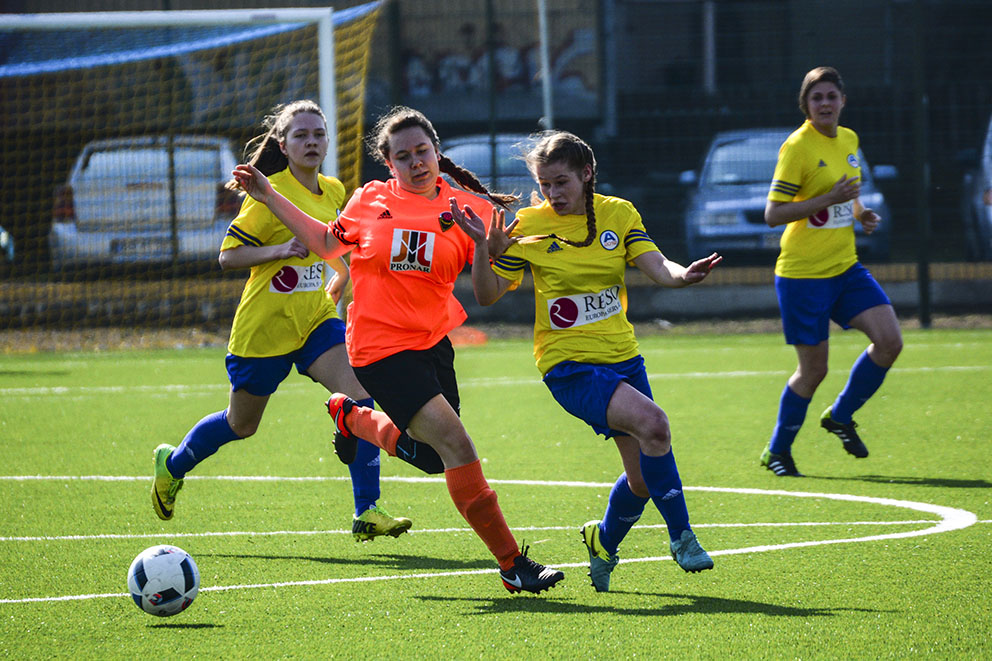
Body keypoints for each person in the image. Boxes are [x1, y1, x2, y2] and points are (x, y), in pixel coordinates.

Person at [231, 106, 564, 595]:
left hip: (433, 343)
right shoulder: (370, 200)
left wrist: (484, 248)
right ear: (389, 164)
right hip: (378, 347)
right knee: (459, 446)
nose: (415, 163)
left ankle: (353, 418)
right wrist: (269, 195)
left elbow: (488, 293)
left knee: (433, 459)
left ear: (437, 152)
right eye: (402, 157)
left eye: (422, 151)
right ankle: (513, 564)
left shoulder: (468, 208)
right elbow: (325, 243)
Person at [450, 130, 720, 592]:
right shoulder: (528, 224)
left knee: (641, 479)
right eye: (545, 184)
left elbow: (658, 265)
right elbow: (487, 294)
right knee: (655, 424)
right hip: (568, 365)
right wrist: (480, 248)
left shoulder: (619, 214)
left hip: (623, 358)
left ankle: (603, 541)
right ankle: (682, 537)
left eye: (562, 183)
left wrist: (683, 275)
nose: (553, 193)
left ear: (586, 174)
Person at [151, 100, 414, 542]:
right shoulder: (267, 193)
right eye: (301, 135)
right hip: (264, 331)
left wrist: (340, 276)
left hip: (314, 320)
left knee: (360, 393)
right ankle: (172, 464)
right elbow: (228, 256)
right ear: (283, 145)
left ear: (328, 141)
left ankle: (367, 509)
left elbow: (331, 246)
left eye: (318, 134)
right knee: (241, 424)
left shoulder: (334, 191)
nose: (312, 142)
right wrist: (279, 251)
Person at [758, 66, 903, 477]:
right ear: (805, 105)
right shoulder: (797, 147)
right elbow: (773, 214)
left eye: (831, 96)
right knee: (814, 370)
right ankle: (777, 451)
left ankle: (840, 415)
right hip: (803, 275)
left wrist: (861, 212)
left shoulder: (849, 139)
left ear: (843, 100)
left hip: (845, 268)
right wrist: (828, 199)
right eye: (816, 97)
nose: (825, 103)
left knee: (890, 342)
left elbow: (847, 195)